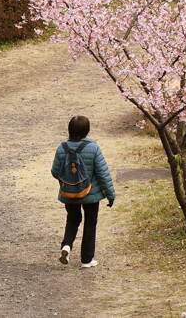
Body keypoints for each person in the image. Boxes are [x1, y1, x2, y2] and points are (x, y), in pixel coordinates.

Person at [50, 115, 115, 268]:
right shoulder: (93, 148)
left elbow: (54, 172)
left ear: (69, 130)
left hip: (69, 193)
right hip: (90, 195)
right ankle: (87, 260)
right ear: (87, 131)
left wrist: (69, 179)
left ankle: (66, 246)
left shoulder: (62, 148)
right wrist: (110, 195)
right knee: (90, 223)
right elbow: (102, 174)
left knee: (72, 220)